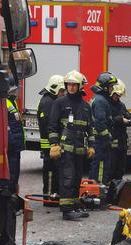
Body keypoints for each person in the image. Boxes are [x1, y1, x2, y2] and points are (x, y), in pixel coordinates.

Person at [49, 70, 95, 220]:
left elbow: (90, 129)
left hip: (80, 149)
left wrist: (91, 146)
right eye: (69, 84)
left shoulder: (86, 106)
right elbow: (53, 125)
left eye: (74, 85)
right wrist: (54, 144)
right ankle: (66, 210)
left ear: (80, 86)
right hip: (65, 148)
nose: (71, 87)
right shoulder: (59, 103)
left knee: (76, 178)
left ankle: (74, 206)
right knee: (67, 178)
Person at [37, 75, 65, 204]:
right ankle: (48, 198)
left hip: (51, 143)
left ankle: (52, 196)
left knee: (54, 171)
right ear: (55, 89)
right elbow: (49, 125)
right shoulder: (48, 103)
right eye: (61, 91)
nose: (63, 93)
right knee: (49, 172)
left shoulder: (50, 100)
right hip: (49, 144)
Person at [106, 79, 131, 181]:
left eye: (120, 95)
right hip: (112, 144)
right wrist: (121, 120)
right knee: (111, 169)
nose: (118, 97)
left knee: (120, 169)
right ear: (112, 92)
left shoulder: (121, 105)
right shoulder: (106, 104)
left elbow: (126, 115)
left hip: (122, 143)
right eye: (117, 95)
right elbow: (108, 119)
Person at [89, 72, 118, 184]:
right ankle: (99, 187)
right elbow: (100, 123)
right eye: (111, 87)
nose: (112, 89)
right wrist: (107, 137)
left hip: (99, 139)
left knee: (98, 164)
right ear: (105, 87)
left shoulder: (99, 98)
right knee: (101, 165)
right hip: (100, 140)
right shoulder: (100, 101)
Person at [5, 88, 25, 194]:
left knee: (15, 171)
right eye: (14, 90)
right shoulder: (5, 102)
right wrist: (11, 141)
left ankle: (13, 194)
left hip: (16, 143)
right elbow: (5, 124)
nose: (16, 92)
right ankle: (10, 195)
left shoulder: (12, 101)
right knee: (11, 172)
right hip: (12, 144)